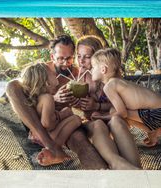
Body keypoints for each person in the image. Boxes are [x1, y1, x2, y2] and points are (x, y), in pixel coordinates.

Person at [6, 35, 107, 169]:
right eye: (60, 58)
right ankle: (51, 146)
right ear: (52, 56)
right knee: (12, 85)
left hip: (64, 125)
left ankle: (104, 176)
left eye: (69, 58)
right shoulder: (42, 72)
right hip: (39, 124)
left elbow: (86, 110)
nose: (65, 63)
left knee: (80, 139)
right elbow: (29, 95)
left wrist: (78, 103)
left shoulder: (79, 74)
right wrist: (54, 98)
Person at [75, 36, 141, 169]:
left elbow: (121, 105)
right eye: (78, 55)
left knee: (116, 120)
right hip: (93, 120)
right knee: (98, 124)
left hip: (112, 116)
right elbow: (80, 109)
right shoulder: (77, 76)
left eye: (86, 57)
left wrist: (97, 105)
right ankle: (119, 165)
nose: (81, 60)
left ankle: (136, 170)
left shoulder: (109, 75)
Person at [91, 48, 161, 147]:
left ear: (103, 69)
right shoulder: (117, 81)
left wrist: (102, 117)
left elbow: (122, 113)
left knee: (115, 113)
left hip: (159, 112)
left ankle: (126, 141)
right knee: (116, 112)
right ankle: (153, 130)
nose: (91, 70)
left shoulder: (109, 86)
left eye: (93, 67)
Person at [18, 63, 82, 166]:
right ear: (47, 82)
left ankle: (50, 150)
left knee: (71, 115)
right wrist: (61, 115)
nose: (55, 75)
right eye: (52, 74)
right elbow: (47, 124)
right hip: (46, 137)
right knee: (77, 119)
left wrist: (61, 113)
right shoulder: (48, 98)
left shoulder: (39, 98)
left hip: (36, 136)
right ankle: (54, 150)